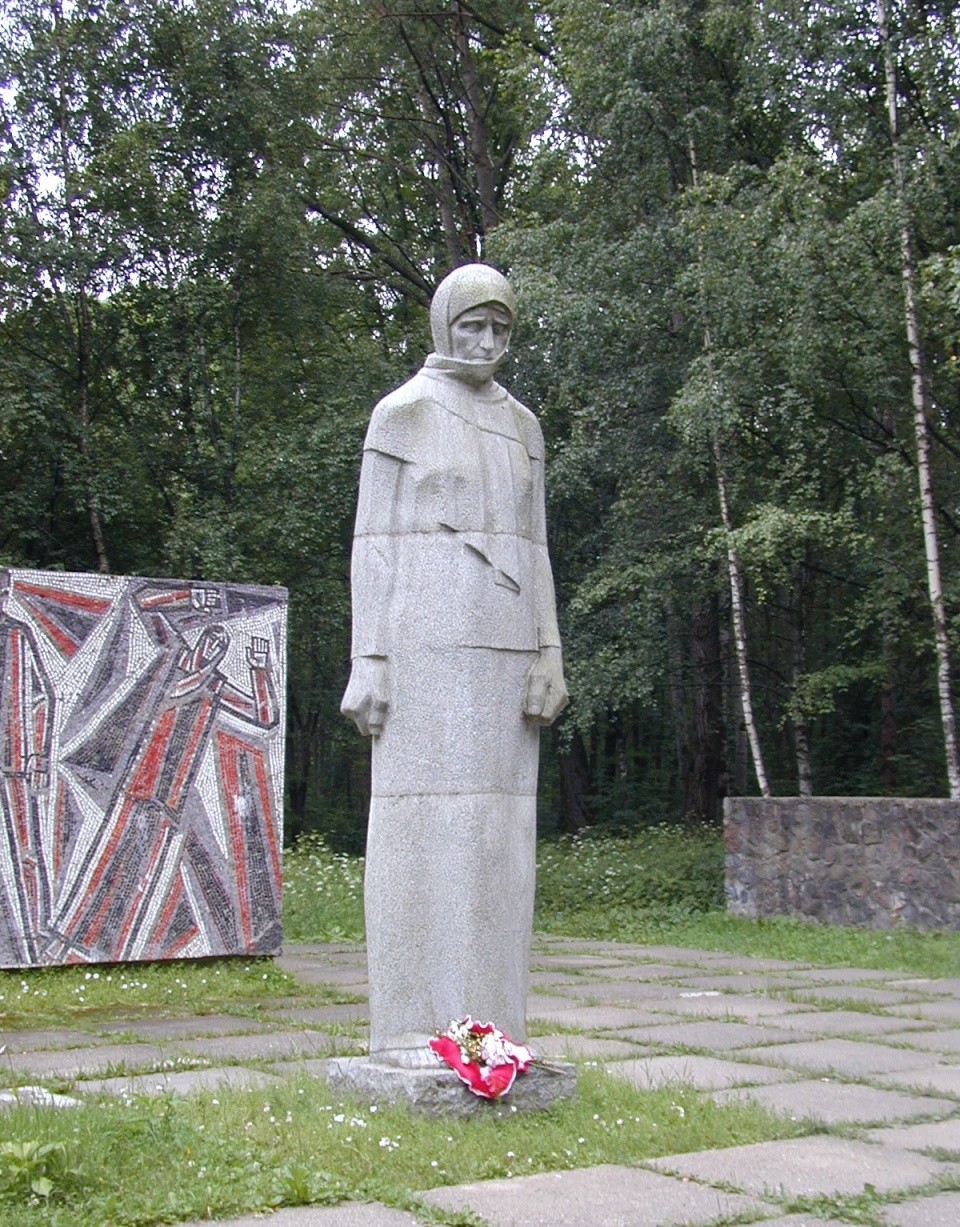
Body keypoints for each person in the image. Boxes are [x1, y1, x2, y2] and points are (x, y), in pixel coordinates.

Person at [342, 263, 568, 1067]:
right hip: (421, 648)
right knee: (418, 825)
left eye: (500, 328)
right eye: (472, 325)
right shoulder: (401, 415)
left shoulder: (525, 427)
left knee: (498, 836)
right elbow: (371, 546)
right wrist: (367, 657)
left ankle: (492, 1032)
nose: (486, 341)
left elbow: (536, 546)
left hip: (506, 653)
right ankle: (411, 1025)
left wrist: (550, 649)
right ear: (443, 326)